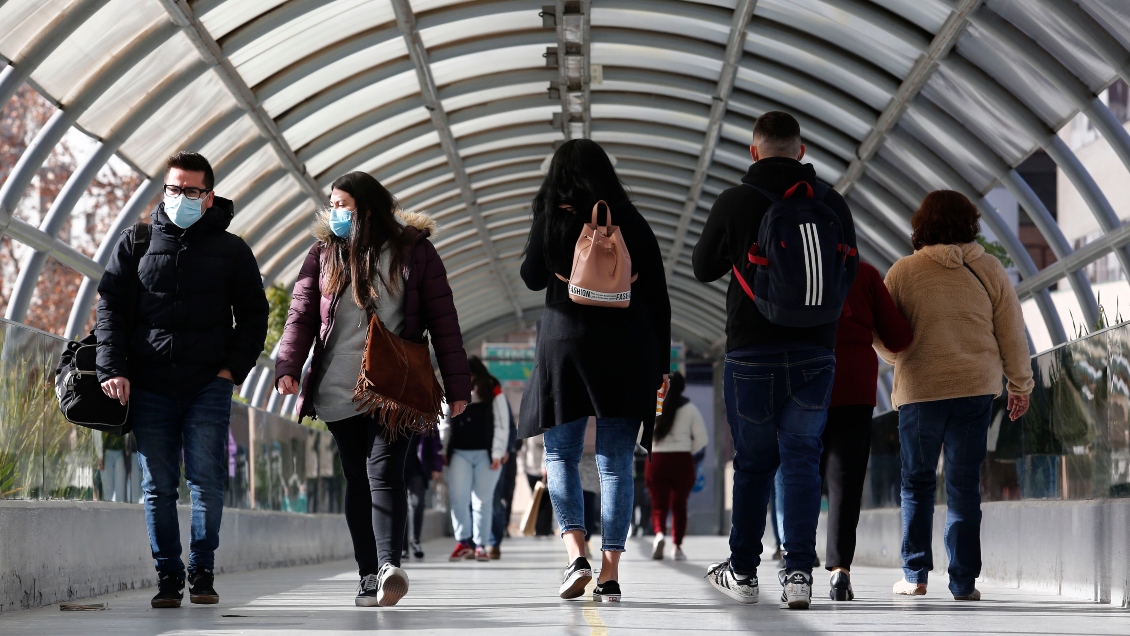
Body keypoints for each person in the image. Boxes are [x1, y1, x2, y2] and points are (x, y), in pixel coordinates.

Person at [274, 171, 471, 607]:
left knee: (384, 472)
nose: (336, 213)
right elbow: (302, 313)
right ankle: (367, 572)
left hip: (394, 387)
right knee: (356, 480)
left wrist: (458, 385)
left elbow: (444, 322)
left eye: (344, 204)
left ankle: (387, 566)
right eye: (333, 204)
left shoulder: (414, 252)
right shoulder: (324, 254)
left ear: (367, 207)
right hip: (337, 387)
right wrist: (287, 365)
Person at [693, 111, 858, 610]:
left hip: (750, 352)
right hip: (815, 352)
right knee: (802, 462)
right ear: (801, 151)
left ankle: (743, 571)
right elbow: (849, 269)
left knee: (754, 465)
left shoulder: (735, 201)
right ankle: (799, 574)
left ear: (754, 151)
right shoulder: (831, 202)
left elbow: (702, 268)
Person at [96, 151, 268, 609]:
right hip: (150, 381)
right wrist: (112, 367)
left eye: (191, 191)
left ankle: (202, 567)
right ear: (164, 190)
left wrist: (232, 369)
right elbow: (110, 305)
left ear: (208, 197)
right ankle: (168, 574)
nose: (181, 197)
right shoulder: (136, 242)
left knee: (208, 481)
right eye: (174, 189)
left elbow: (255, 314)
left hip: (208, 383)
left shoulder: (232, 250)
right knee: (158, 486)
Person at [519, 138, 671, 603]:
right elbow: (659, 297)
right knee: (616, 463)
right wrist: (661, 365)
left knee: (560, 455)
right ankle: (610, 572)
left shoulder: (555, 217)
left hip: (566, 342)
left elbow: (531, 276)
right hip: (628, 348)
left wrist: (549, 224)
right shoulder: (631, 220)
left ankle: (575, 557)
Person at [876, 190, 1032, 601]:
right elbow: (1012, 332)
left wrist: (896, 355)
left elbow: (888, 340)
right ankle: (963, 582)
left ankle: (915, 575)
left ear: (921, 225)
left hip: (921, 390)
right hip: (974, 389)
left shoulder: (903, 272)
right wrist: (1020, 385)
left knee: (917, 484)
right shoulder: (990, 269)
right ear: (970, 223)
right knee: (964, 486)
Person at [820, 261, 913, 601]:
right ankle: (839, 572)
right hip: (853, 385)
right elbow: (899, 337)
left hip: (802, 381)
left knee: (797, 471)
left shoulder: (792, 262)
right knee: (845, 478)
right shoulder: (864, 272)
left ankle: (795, 566)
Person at [440, 357, 508, 561]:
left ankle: (481, 545)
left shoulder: (492, 389)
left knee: (482, 501)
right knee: (458, 498)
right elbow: (443, 421)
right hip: (459, 453)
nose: (470, 382)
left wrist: (497, 453)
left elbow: (502, 423)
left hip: (486, 455)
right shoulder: (452, 388)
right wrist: (443, 450)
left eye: (473, 377)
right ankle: (462, 541)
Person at [646, 372, 708, 561]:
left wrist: (651, 449)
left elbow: (641, 433)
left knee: (658, 505)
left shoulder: (655, 405)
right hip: (682, 460)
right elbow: (702, 438)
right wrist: (688, 449)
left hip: (656, 460)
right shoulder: (690, 409)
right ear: (683, 387)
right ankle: (677, 547)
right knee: (679, 506)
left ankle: (658, 535)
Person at [488, 387, 520, 558]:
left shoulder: (497, 397)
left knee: (497, 498)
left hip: (498, 456)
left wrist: (507, 449)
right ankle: (473, 543)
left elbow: (508, 427)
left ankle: (494, 543)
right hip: (473, 453)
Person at [403, 430, 443, 559]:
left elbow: (435, 440)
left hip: (419, 467)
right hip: (398, 466)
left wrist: (436, 466)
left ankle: (415, 541)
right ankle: (403, 546)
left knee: (417, 503)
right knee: (399, 505)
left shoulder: (425, 412)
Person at [518, 435, 554, 536]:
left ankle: (545, 528)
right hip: (531, 469)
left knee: (546, 500)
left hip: (544, 470)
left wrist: (545, 465)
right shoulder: (528, 430)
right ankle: (538, 527)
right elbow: (522, 448)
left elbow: (548, 447)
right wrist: (522, 467)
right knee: (536, 500)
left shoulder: (545, 430)